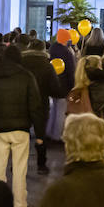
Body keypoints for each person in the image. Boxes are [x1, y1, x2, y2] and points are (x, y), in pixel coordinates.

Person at [0, 45, 44, 207]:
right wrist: (40, 133)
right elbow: (35, 106)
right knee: (19, 169)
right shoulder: (26, 76)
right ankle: (19, 205)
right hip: (21, 130)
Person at [18, 37, 65, 174]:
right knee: (40, 135)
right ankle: (41, 165)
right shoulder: (47, 65)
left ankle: (18, 163)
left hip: (22, 102)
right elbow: (55, 89)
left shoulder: (20, 63)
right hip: (41, 104)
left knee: (22, 134)